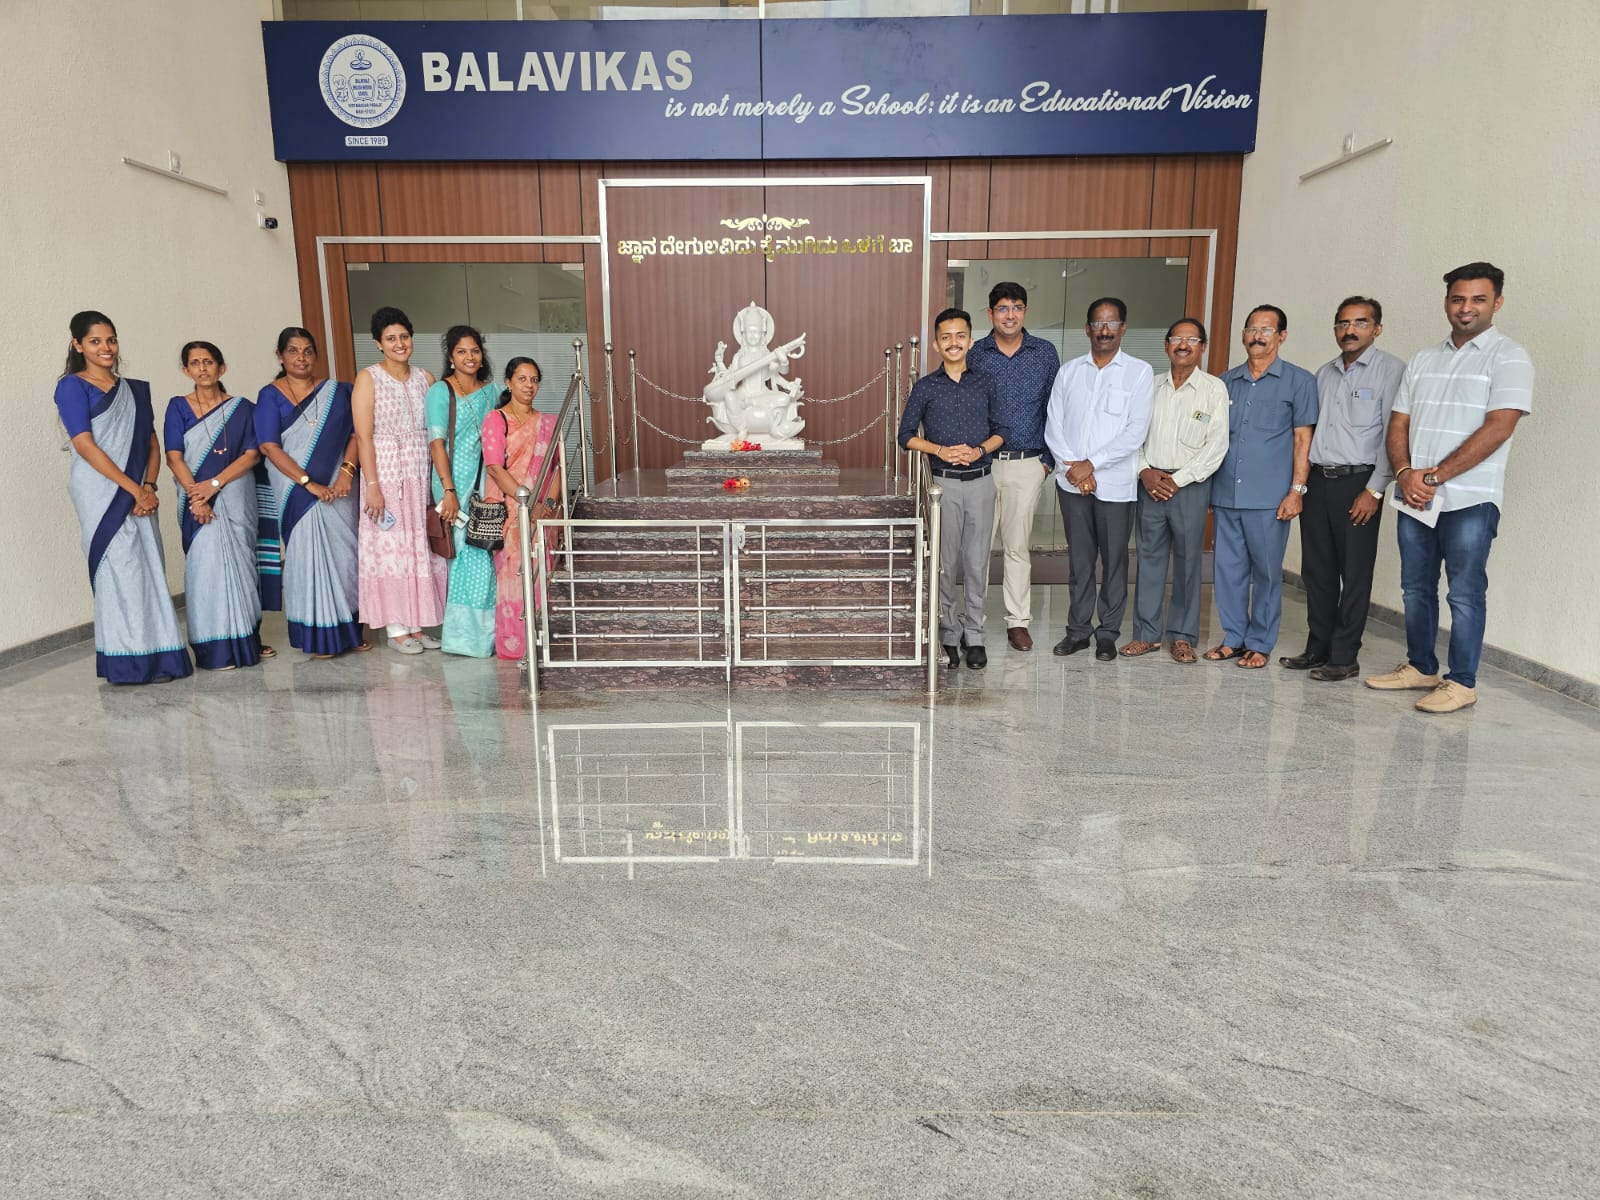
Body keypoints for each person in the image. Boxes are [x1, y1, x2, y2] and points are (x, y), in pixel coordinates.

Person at [1366, 263, 1533, 713]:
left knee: (1464, 592)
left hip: (1470, 500)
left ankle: (1462, 682)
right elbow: (1398, 423)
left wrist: (1434, 476)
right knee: (1415, 588)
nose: (1466, 308)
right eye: (1458, 299)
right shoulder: (1424, 359)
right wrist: (1405, 473)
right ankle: (1421, 667)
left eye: (1478, 299)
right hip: (1415, 496)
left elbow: (1499, 427)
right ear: (1446, 303)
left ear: (1497, 303)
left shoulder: (1510, 357)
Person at [54, 311, 193, 684]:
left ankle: (162, 657)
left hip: (140, 492)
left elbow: (152, 444)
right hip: (100, 493)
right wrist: (133, 489)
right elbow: (84, 444)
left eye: (111, 340)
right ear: (78, 345)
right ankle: (128, 663)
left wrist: (149, 486)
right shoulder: (72, 387)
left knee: (148, 567)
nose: (106, 348)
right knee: (120, 571)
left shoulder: (134, 390)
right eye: (95, 341)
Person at [1280, 297, 1405, 681]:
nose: (1349, 330)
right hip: (1319, 482)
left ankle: (1344, 656)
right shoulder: (1324, 374)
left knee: (1354, 573)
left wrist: (1375, 490)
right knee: (1317, 571)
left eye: (1360, 322)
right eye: (1343, 323)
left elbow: (1394, 433)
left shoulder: (1391, 371)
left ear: (1377, 328)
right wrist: (1301, 485)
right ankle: (1317, 647)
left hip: (1359, 484)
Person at [1207, 306, 1318, 669]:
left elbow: (1303, 440)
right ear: (1243, 335)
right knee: (1228, 571)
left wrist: (1296, 491)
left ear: (1281, 336)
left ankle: (1260, 642)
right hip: (1226, 493)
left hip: (1270, 498)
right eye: (1251, 329)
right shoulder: (1224, 383)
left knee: (1267, 574)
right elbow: (1212, 438)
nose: (1257, 336)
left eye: (1266, 330)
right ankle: (1234, 638)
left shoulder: (1299, 381)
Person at [1045, 297, 1155, 662]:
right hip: (1071, 484)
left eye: (1111, 323)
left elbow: (1135, 431)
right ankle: (1078, 631)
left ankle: (1107, 633)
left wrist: (1091, 465)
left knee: (1114, 563)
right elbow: (1053, 425)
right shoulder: (1069, 372)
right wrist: (1074, 469)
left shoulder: (1139, 372)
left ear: (1123, 328)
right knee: (1079, 562)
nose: (1104, 330)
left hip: (1116, 487)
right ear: (1087, 329)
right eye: (1097, 323)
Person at [898, 309, 1007, 670]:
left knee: (976, 563)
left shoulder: (986, 382)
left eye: (960, 335)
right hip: (942, 486)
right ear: (936, 344)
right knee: (944, 564)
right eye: (946, 337)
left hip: (981, 482)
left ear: (970, 341)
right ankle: (948, 633)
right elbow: (905, 436)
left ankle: (974, 634)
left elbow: (1002, 431)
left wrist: (978, 450)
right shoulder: (926, 387)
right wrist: (941, 450)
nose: (954, 342)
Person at [1121, 317, 1229, 664]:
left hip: (1190, 487)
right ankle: (1146, 635)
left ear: (1202, 347)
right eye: (1177, 339)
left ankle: (1182, 636)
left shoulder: (1214, 389)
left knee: (1188, 562)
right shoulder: (1149, 385)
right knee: (1149, 560)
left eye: (1192, 340)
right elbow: (1132, 434)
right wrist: (1145, 471)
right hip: (1150, 485)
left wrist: (1178, 480)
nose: (1183, 345)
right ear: (1166, 345)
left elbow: (1217, 445)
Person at [254, 327, 367, 658]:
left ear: (316, 355)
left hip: (340, 486)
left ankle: (351, 630)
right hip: (296, 491)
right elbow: (269, 446)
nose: (301, 358)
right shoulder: (269, 395)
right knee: (306, 559)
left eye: (307, 351)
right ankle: (318, 636)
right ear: (280, 355)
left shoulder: (338, 392)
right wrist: (308, 483)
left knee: (346, 557)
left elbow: (356, 434)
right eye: (293, 351)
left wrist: (346, 472)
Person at [967, 282, 1060, 652]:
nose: (1010, 315)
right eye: (1003, 308)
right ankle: (972, 623)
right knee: (977, 549)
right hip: (983, 466)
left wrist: (1047, 462)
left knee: (1018, 547)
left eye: (1017, 307)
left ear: (1025, 311)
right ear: (990, 313)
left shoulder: (1044, 353)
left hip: (1027, 463)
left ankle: (1018, 622)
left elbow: (1056, 408)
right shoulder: (976, 353)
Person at [162, 341, 268, 669]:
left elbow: (252, 454)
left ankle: (248, 640)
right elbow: (174, 457)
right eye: (195, 363)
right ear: (186, 370)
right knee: (205, 570)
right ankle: (213, 650)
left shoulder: (243, 409)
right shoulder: (178, 407)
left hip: (235, 496)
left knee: (242, 566)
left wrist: (215, 484)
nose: (203, 368)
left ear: (222, 368)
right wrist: (198, 496)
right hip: (196, 501)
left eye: (209, 362)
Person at [353, 306, 447, 654]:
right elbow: (363, 437)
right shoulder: (369, 378)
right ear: (378, 343)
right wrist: (373, 487)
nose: (399, 344)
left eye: (404, 336)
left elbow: (436, 432)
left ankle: (417, 626)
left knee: (419, 546)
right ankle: (396, 629)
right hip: (387, 478)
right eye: (390, 338)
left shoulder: (426, 379)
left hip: (420, 474)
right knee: (391, 549)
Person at [426, 325, 500, 658]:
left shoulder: (492, 392)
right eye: (461, 351)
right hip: (453, 483)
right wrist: (449, 490)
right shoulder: (440, 392)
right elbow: (436, 444)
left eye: (474, 350)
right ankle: (463, 638)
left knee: (485, 554)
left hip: (485, 485)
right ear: (451, 357)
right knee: (467, 557)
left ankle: (488, 635)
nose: (469, 357)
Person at [482, 357, 562, 661]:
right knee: (513, 578)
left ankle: (544, 644)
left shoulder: (549, 423)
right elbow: (494, 468)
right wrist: (525, 500)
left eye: (534, 380)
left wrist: (548, 505)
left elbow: (557, 468)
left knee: (543, 573)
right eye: (522, 379)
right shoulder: (496, 419)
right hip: (512, 511)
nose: (529, 385)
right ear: (509, 382)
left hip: (543, 513)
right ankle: (516, 645)